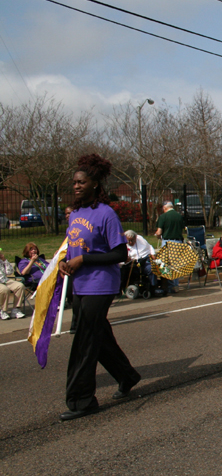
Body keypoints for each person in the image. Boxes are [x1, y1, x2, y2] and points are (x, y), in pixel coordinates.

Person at [58, 154, 140, 421]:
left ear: (95, 184)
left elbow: (119, 254)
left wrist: (84, 259)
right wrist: (65, 262)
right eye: (74, 183)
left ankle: (82, 400)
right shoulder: (76, 214)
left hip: (101, 285)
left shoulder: (106, 214)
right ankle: (127, 376)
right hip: (79, 284)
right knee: (99, 336)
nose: (76, 186)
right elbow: (73, 247)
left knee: (85, 340)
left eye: (81, 182)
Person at [155, 201, 184, 293]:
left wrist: (157, 235)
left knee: (167, 264)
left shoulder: (163, 217)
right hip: (178, 241)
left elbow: (159, 232)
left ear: (164, 208)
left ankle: (172, 285)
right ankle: (176, 284)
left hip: (168, 241)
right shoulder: (179, 216)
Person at [0, 247, 26, 320]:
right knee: (4, 290)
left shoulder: (1, 261)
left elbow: (9, 272)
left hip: (5, 280)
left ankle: (16, 309)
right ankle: (3, 310)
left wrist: (4, 260)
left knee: (20, 286)